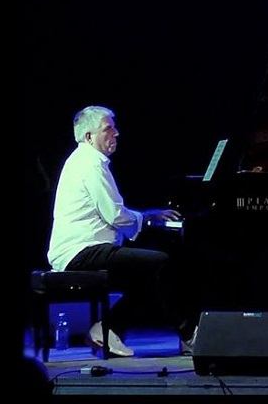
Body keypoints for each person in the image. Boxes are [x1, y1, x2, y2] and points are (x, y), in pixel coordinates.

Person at [46, 105, 197, 357]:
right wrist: (147, 218)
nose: (115, 133)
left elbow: (115, 213)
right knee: (161, 264)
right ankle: (188, 334)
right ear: (89, 137)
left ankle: (108, 330)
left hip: (83, 250)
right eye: (108, 129)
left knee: (150, 274)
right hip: (81, 252)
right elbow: (115, 215)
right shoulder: (91, 164)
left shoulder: (83, 161)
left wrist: (146, 217)